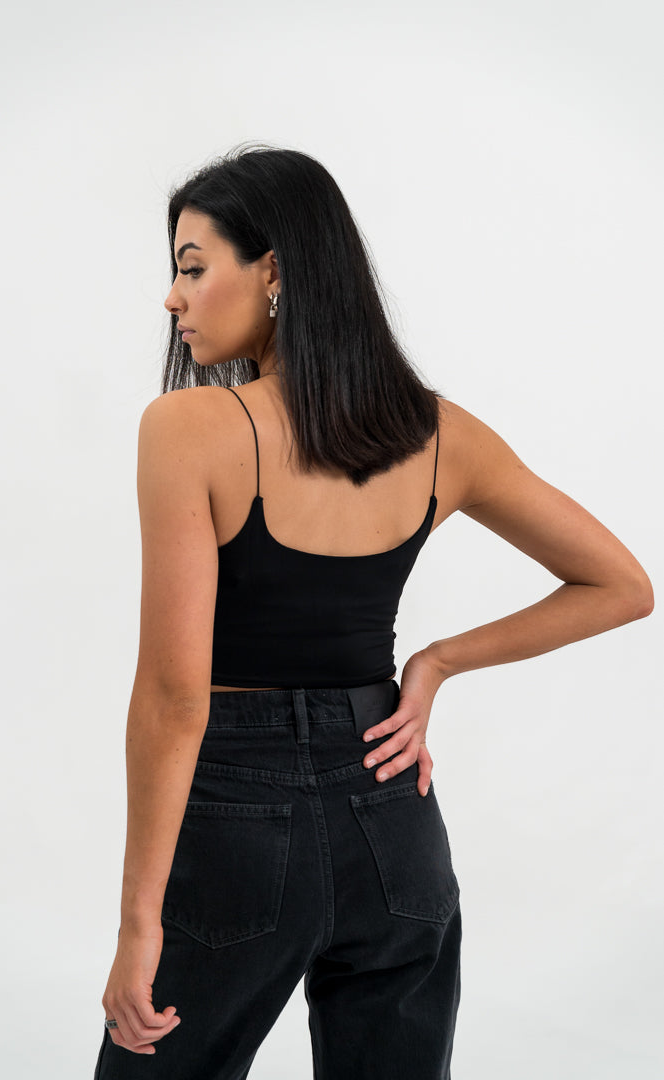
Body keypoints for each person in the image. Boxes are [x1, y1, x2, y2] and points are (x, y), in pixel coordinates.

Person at [92, 144, 654, 1080]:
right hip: (393, 824)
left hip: (240, 821)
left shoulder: (189, 428)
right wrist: (428, 665)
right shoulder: (439, 434)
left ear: (272, 270)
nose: (173, 298)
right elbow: (622, 583)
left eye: (193, 267)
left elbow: (173, 699)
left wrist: (137, 923)